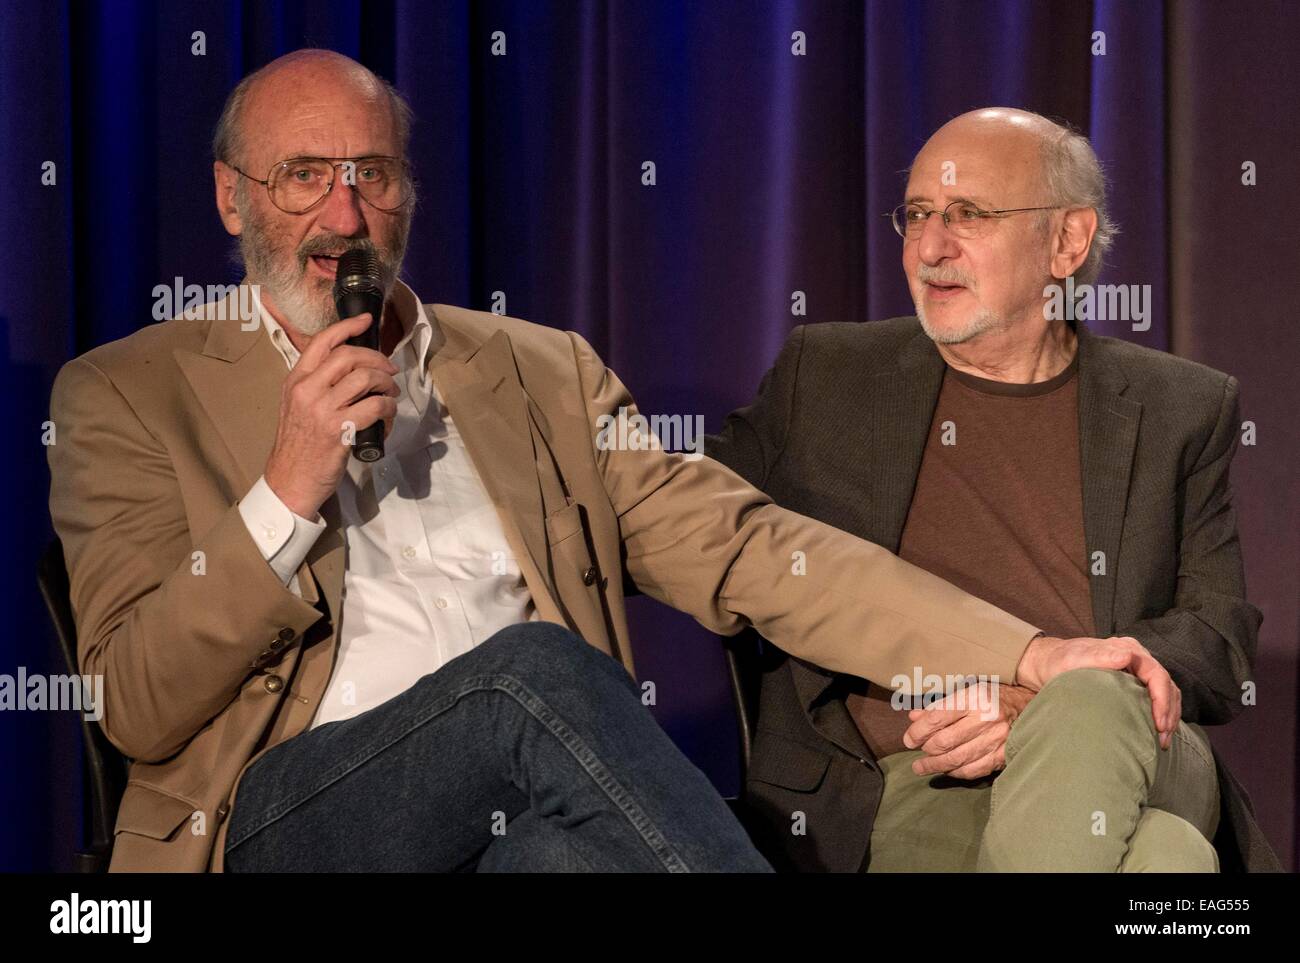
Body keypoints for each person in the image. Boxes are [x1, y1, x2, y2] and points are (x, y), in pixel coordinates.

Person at [46, 55, 1170, 873]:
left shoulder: (537, 372)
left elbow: (752, 548)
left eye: (373, 175)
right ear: (232, 196)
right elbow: (136, 705)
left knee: (563, 862)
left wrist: (1027, 650)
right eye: (302, 176)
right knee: (525, 673)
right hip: (293, 813)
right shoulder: (125, 394)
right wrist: (287, 487)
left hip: (538, 803)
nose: (344, 212)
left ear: (406, 196)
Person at [707, 107, 1279, 872]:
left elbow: (1216, 635)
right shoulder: (829, 377)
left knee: (1092, 693)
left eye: (967, 214)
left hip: (1138, 749)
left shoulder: (1178, 405)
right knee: (1167, 859)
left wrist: (1040, 707)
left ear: (1067, 242)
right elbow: (678, 509)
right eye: (916, 215)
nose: (930, 247)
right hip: (916, 776)